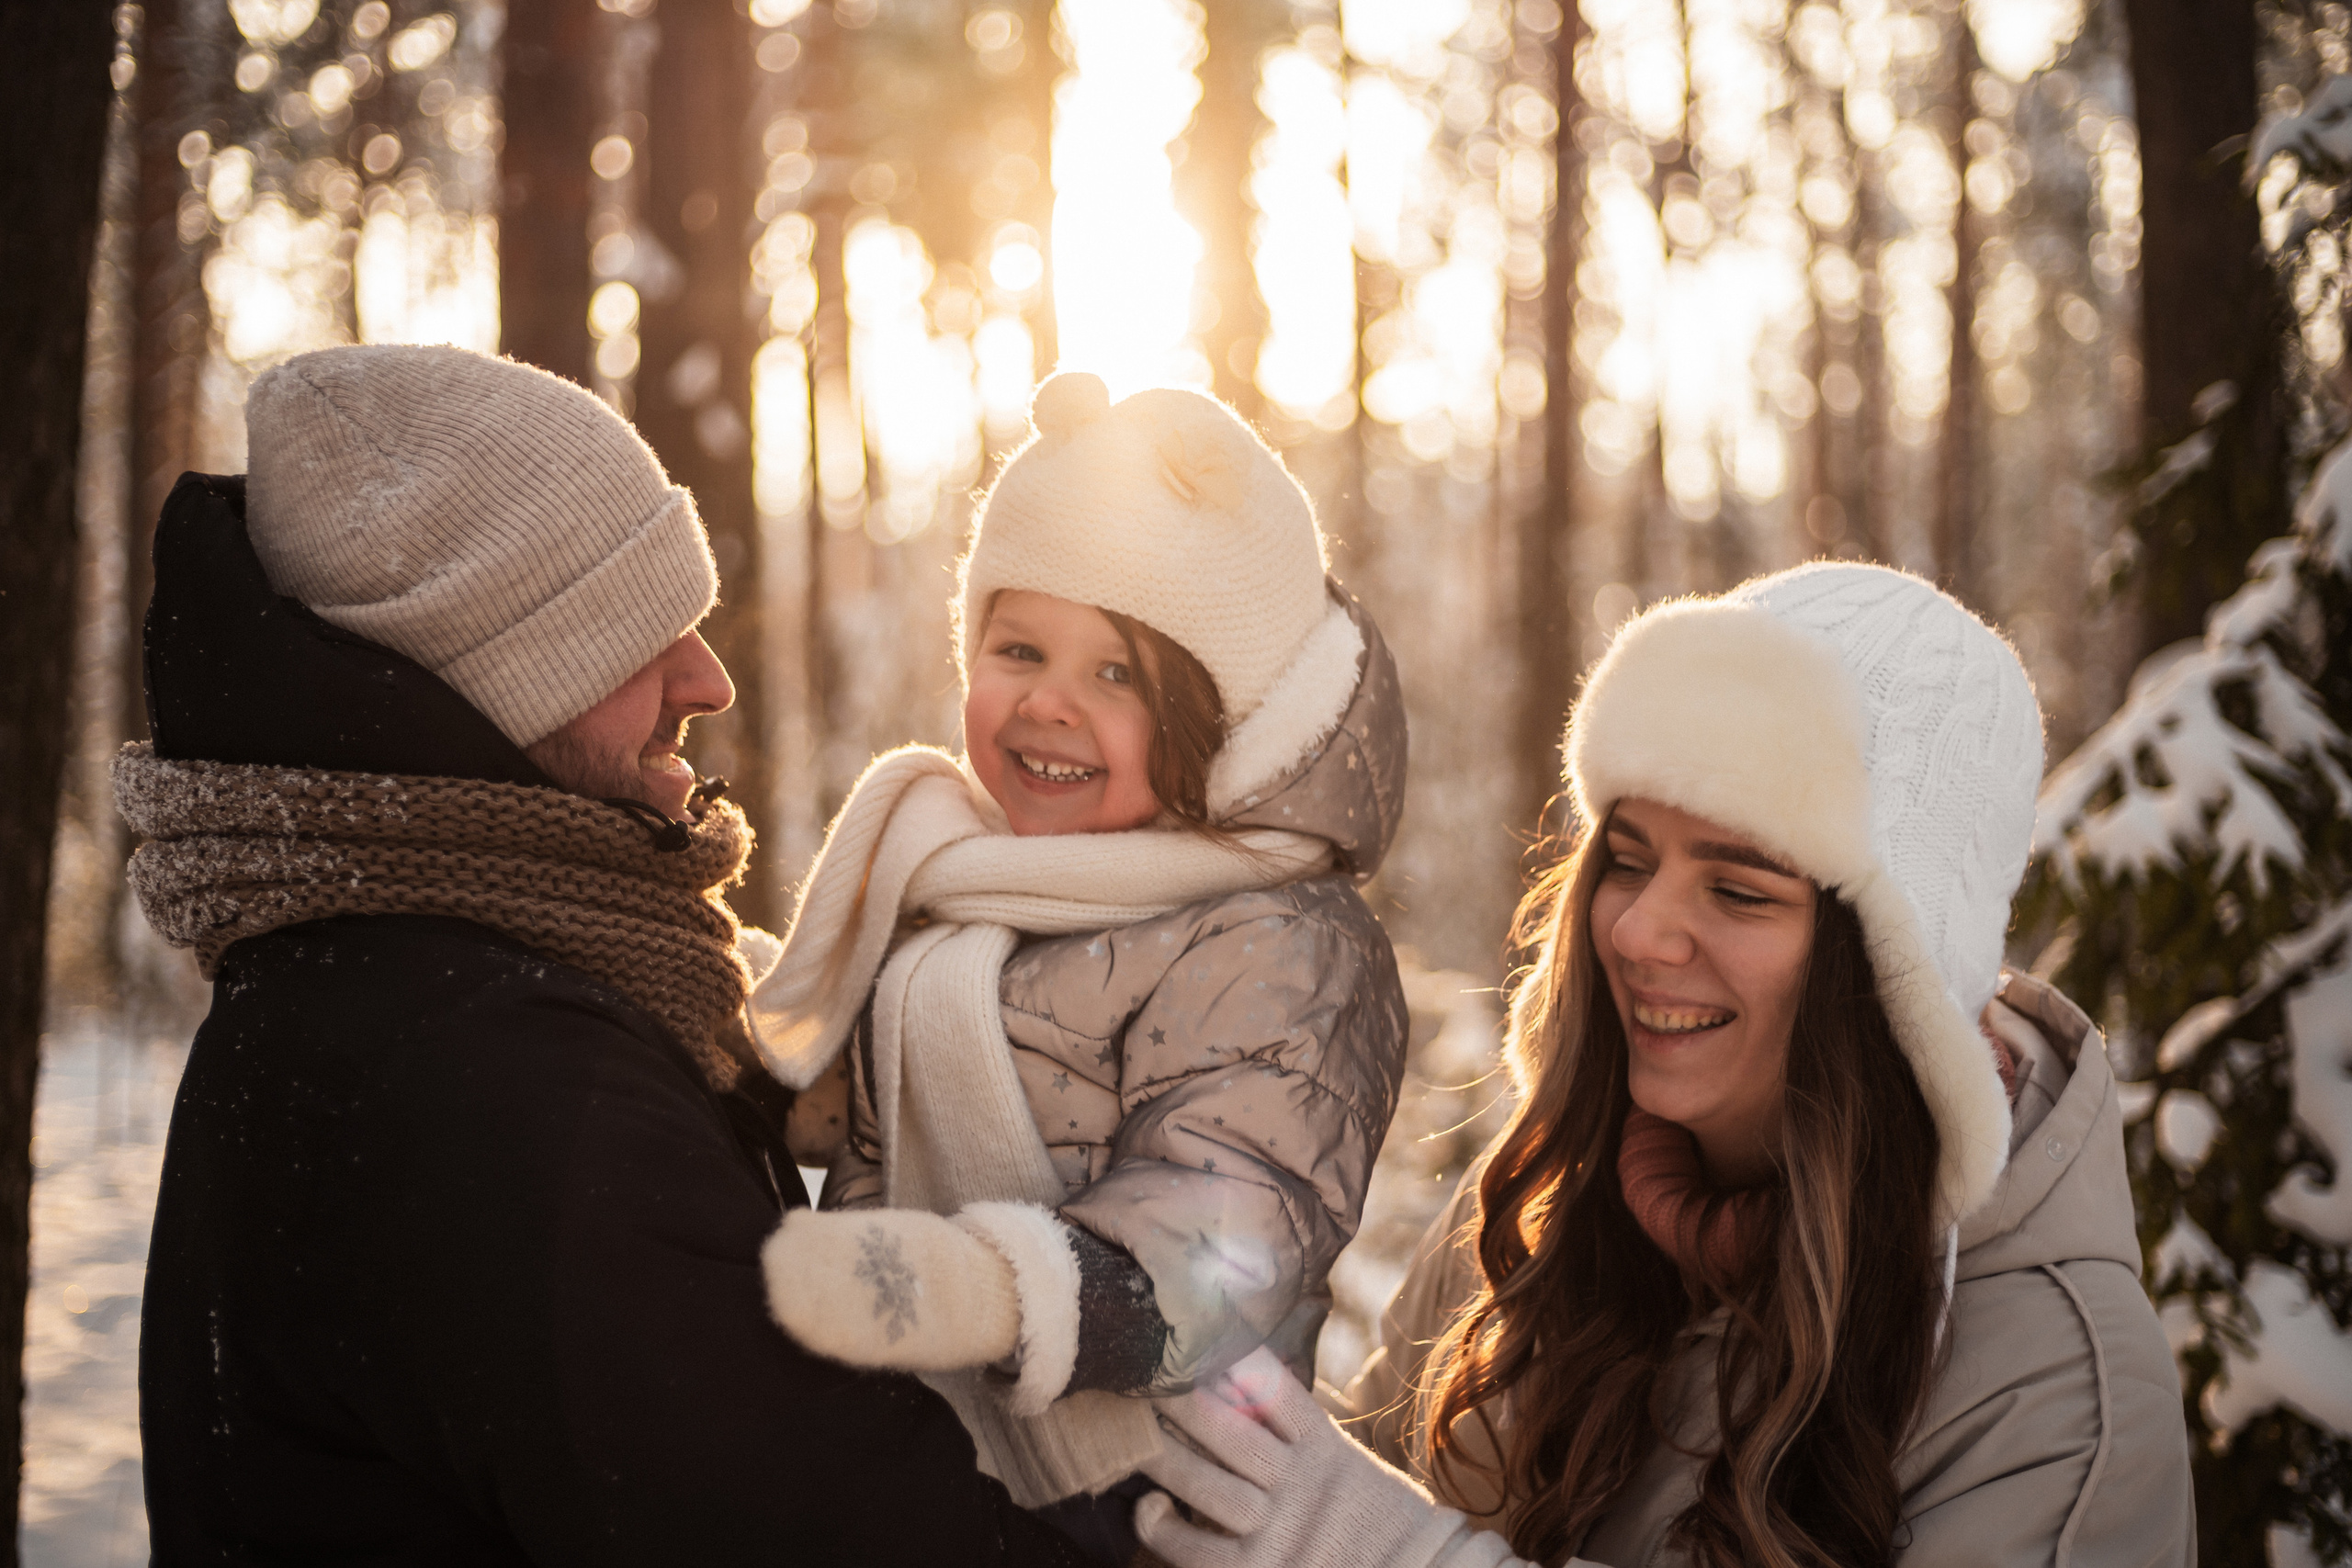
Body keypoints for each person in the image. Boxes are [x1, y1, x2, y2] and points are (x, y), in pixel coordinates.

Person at [117, 344, 1095, 1564]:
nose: (709, 675)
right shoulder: (493, 1082)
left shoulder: (365, 981)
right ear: (488, 678)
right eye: (628, 632)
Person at [1130, 564, 2194, 1568]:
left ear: (1890, 978)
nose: (1638, 931)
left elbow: (1365, 1538)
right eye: (1628, 860)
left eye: (1737, 891)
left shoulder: (2059, 1394)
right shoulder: (1541, 1213)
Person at [745, 370, 1411, 1562]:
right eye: (1018, 645)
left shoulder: (1278, 935)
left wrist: (992, 1286)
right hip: (930, 1459)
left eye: (1118, 673)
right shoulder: (959, 875)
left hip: (1148, 1502)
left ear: (1224, 715)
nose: (1048, 701)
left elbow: (1242, 1234)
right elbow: (858, 1103)